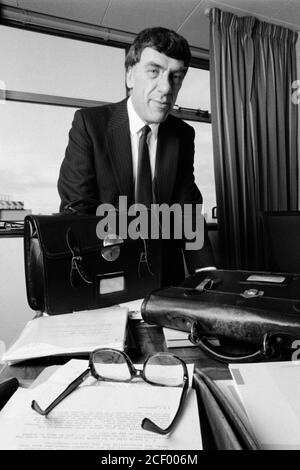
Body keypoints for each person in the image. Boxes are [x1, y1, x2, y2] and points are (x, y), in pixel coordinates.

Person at [57, 26, 216, 286]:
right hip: (105, 275)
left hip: (166, 277)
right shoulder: (89, 124)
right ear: (130, 75)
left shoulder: (182, 135)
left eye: (176, 76)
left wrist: (208, 276)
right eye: (154, 72)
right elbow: (76, 212)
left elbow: (188, 213)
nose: (166, 88)